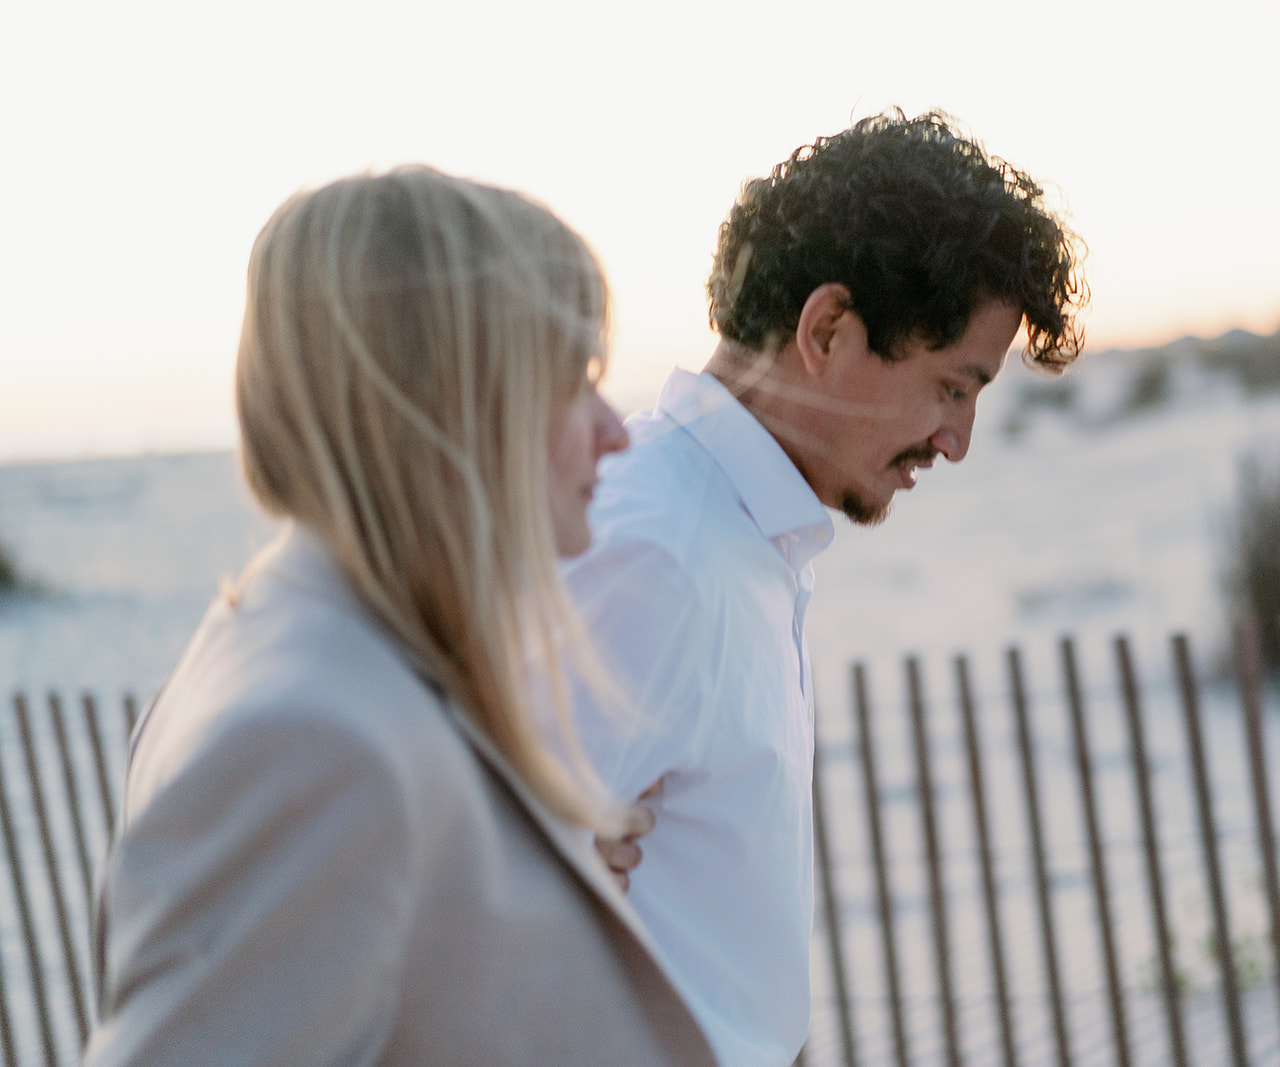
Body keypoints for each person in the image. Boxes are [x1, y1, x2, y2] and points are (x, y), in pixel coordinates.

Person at [84, 167, 716, 1066]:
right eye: (575, 378)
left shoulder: (324, 649)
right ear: (455, 400)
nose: (616, 430)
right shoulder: (311, 739)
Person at [566, 110, 1086, 1066]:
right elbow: (471, 933)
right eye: (952, 386)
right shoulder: (656, 552)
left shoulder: (739, 535)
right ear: (829, 328)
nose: (957, 440)